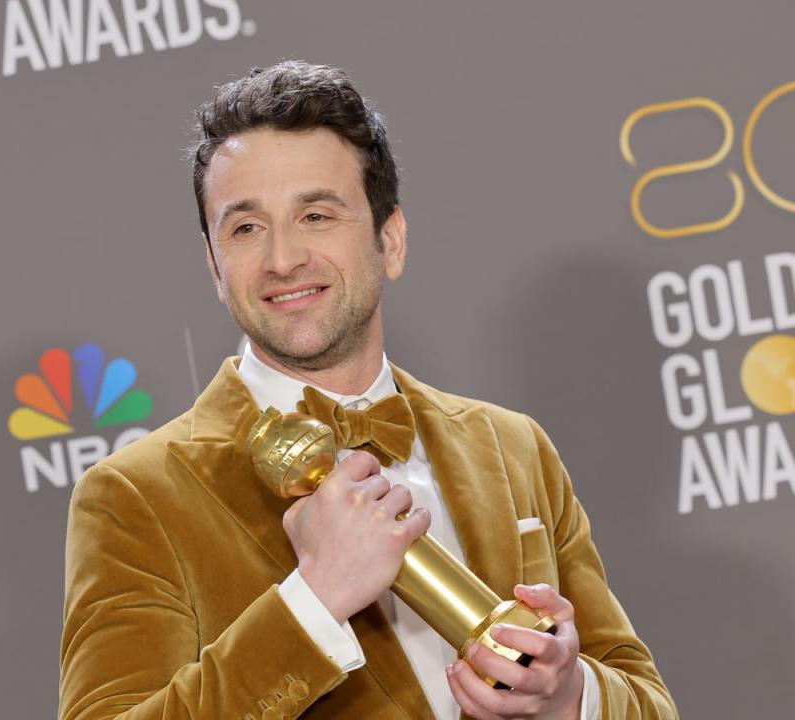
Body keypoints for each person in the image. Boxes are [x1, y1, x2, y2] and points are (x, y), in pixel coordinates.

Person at [58, 61, 678, 720]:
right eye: (245, 227)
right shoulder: (135, 497)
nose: (282, 258)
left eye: (317, 215)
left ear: (391, 239)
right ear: (214, 265)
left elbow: (646, 701)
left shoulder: (512, 447)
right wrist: (314, 602)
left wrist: (567, 697)